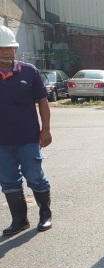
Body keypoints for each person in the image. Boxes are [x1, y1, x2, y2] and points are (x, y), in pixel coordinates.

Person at [0, 26, 53, 235]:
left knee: (35, 176)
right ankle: (19, 220)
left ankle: (45, 214)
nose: (5, 51)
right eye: (1, 47)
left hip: (28, 138)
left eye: (9, 48)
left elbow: (42, 101)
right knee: (9, 181)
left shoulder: (29, 71)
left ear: (15, 49)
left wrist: (46, 130)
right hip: (2, 142)